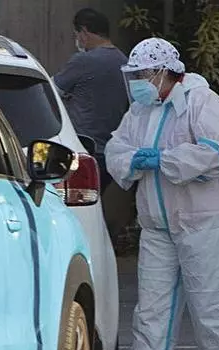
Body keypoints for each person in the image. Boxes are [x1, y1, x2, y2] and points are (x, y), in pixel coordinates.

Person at [105, 37, 219, 350]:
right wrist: (134, 160)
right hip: (157, 226)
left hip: (206, 224)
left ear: (164, 71)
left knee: (212, 309)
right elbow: (116, 149)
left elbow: (216, 154)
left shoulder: (203, 102)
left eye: (143, 74)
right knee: (151, 312)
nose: (137, 82)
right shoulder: (140, 110)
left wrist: (164, 160)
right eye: (134, 75)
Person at [54, 8, 133, 238]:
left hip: (82, 148)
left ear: (84, 32)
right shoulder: (124, 62)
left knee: (72, 213)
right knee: (93, 207)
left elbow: (52, 91)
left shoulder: (84, 61)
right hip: (110, 152)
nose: (78, 40)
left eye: (77, 34)